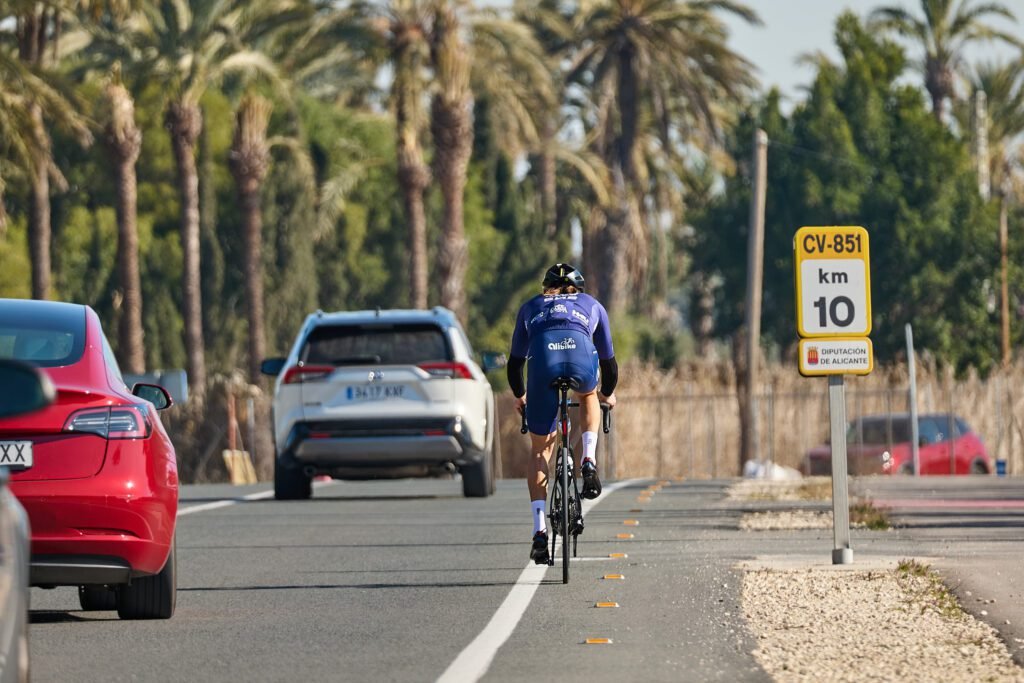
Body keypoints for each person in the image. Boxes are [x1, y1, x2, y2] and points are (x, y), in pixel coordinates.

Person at [506, 263, 618, 564]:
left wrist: (520, 397)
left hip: (543, 365)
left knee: (540, 450)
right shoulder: (591, 304)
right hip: (580, 362)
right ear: (577, 289)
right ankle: (588, 459)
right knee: (589, 394)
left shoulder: (531, 306)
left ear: (546, 288)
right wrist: (607, 393)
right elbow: (608, 362)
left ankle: (539, 530)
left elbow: (515, 364)